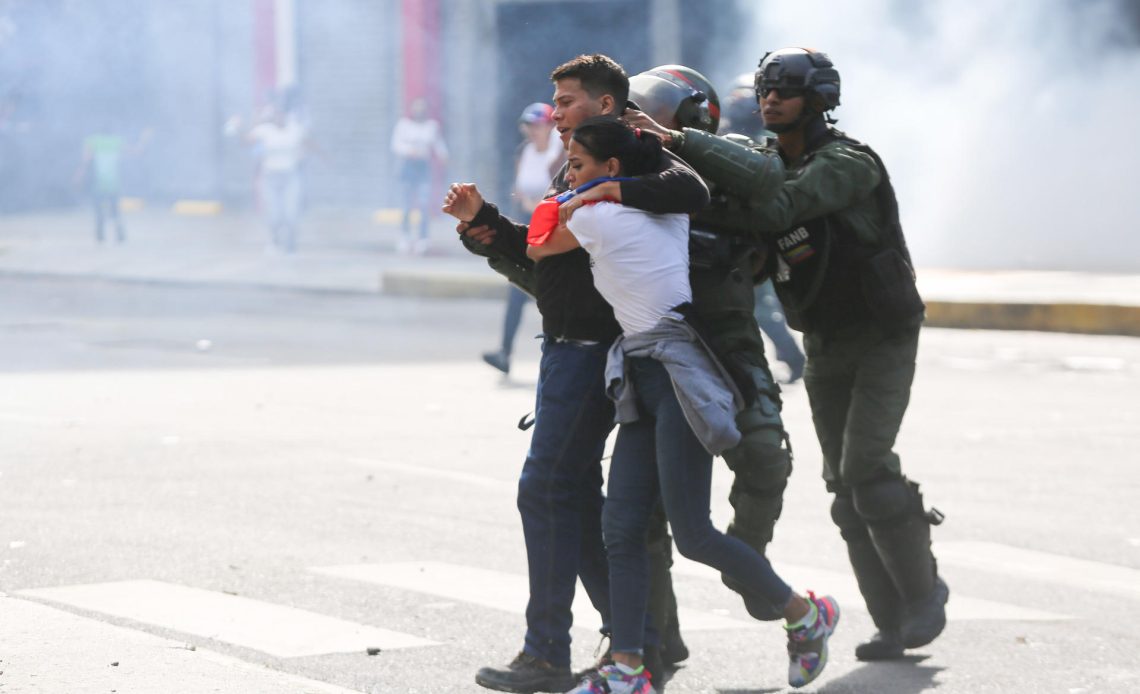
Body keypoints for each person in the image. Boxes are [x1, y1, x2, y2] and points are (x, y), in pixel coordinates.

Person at [646, 48, 946, 661]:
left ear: (819, 98)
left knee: (867, 470)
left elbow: (779, 205)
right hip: (827, 338)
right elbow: (742, 212)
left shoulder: (847, 162)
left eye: (786, 89)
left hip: (882, 331)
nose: (770, 99)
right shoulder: (760, 159)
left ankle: (924, 597)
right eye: (765, 89)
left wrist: (680, 151)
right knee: (843, 485)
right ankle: (891, 623)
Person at [528, 116, 838, 694]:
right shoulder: (663, 206)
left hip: (673, 372)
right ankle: (629, 669)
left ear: (612, 169)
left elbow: (539, 242)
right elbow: (684, 182)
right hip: (643, 372)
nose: (566, 176)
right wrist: (608, 179)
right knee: (620, 527)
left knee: (693, 532)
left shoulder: (601, 216)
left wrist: (582, 194)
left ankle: (805, 612)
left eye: (576, 165)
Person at [442, 54, 709, 693]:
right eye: (555, 102)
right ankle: (637, 643)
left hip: (594, 350)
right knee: (575, 499)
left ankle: (551, 653)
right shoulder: (573, 167)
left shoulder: (633, 156)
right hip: (563, 347)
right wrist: (481, 223)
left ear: (607, 105)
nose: (555, 113)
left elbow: (691, 190)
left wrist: (607, 187)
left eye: (567, 101)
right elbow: (541, 254)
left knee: (546, 489)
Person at [623, 65, 796, 630]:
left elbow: (768, 186)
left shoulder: (729, 158)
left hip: (730, 340)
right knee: (643, 510)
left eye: (656, 111)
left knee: (766, 454)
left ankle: (747, 560)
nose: (641, 119)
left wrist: (677, 146)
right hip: (660, 347)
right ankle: (657, 641)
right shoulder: (625, 169)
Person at [718, 73, 806, 383]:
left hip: (755, 242)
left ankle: (793, 360)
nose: (739, 103)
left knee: (762, 308)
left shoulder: (766, 149)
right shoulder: (720, 142)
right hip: (737, 242)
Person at [482, 103, 564, 376]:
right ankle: (504, 352)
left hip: (554, 234)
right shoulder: (525, 152)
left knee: (554, 295)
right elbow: (518, 190)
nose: (533, 131)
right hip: (529, 232)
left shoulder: (561, 152)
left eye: (538, 125)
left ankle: (558, 355)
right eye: (529, 126)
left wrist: (538, 205)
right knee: (517, 290)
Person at [245, 105, 310, 253]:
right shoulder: (264, 130)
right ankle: (274, 239)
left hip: (290, 177)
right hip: (270, 177)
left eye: (282, 114)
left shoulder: (295, 129)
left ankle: (291, 242)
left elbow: (308, 143)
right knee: (273, 213)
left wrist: (323, 157)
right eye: (276, 115)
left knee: (291, 212)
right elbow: (247, 140)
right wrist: (243, 125)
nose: (279, 118)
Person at [391, 97, 447, 255]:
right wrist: (410, 151)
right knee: (406, 204)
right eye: (417, 107)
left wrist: (445, 158)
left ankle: (423, 238)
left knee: (423, 204)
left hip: (423, 168)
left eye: (422, 107)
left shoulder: (431, 126)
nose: (419, 110)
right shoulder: (404, 125)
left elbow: (438, 145)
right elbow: (395, 145)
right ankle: (405, 236)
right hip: (408, 167)